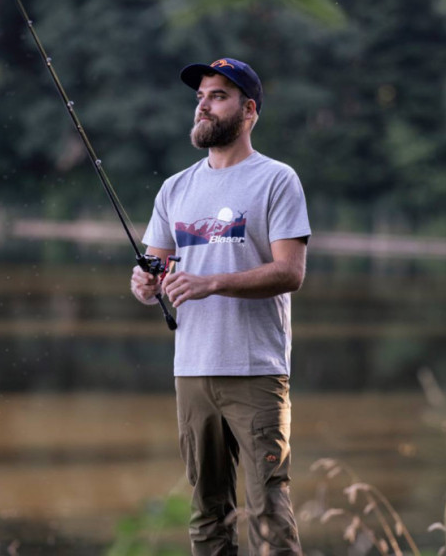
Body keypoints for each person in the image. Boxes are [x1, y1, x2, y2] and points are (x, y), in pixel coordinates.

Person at [130, 57, 311, 555]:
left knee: (268, 510)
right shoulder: (175, 188)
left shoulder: (277, 180)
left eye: (218, 96)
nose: (203, 107)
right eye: (200, 97)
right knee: (206, 512)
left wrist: (211, 283)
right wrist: (145, 286)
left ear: (248, 110)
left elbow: (290, 272)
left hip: (255, 370)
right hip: (191, 369)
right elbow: (155, 269)